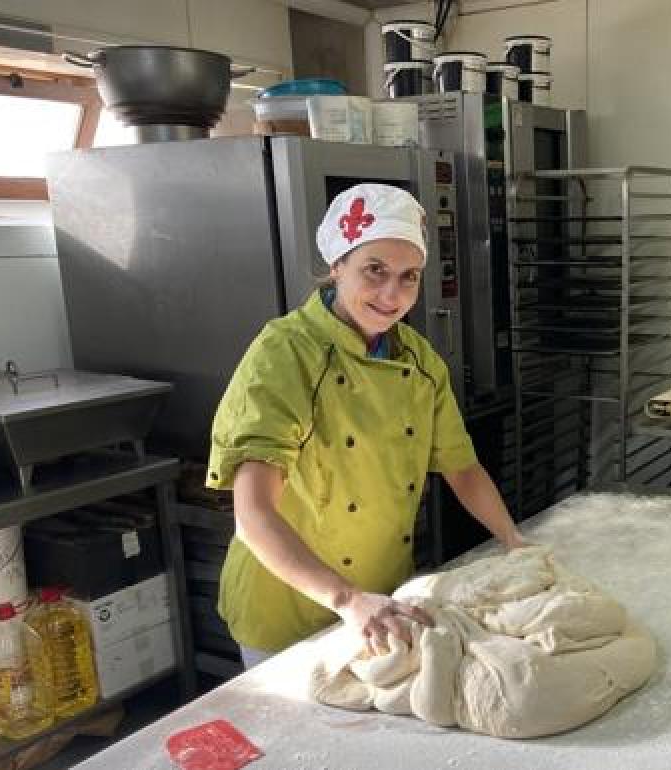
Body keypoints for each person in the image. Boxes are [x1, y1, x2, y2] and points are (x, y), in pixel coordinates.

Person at [206, 184, 524, 669]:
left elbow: (463, 469)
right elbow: (253, 513)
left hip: (380, 597)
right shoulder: (286, 352)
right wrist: (346, 600)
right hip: (287, 603)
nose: (391, 295)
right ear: (337, 266)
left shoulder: (418, 359)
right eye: (374, 271)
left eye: (408, 277)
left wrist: (513, 541)